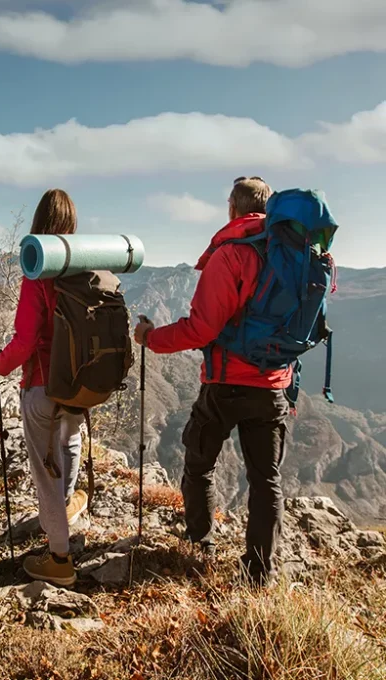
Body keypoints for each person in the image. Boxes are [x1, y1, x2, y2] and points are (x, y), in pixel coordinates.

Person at [134, 176, 289, 585]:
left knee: (199, 463)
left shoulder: (232, 255)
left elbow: (201, 329)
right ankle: (259, 574)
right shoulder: (292, 254)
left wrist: (152, 338)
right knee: (266, 479)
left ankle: (200, 543)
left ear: (232, 208)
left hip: (226, 384)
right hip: (274, 383)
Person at [0, 188, 87, 588]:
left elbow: (26, 341)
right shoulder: (84, 270)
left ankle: (59, 558)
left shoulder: (38, 274)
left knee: (47, 471)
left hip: (44, 384)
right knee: (70, 445)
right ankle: (65, 508)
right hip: (80, 384)